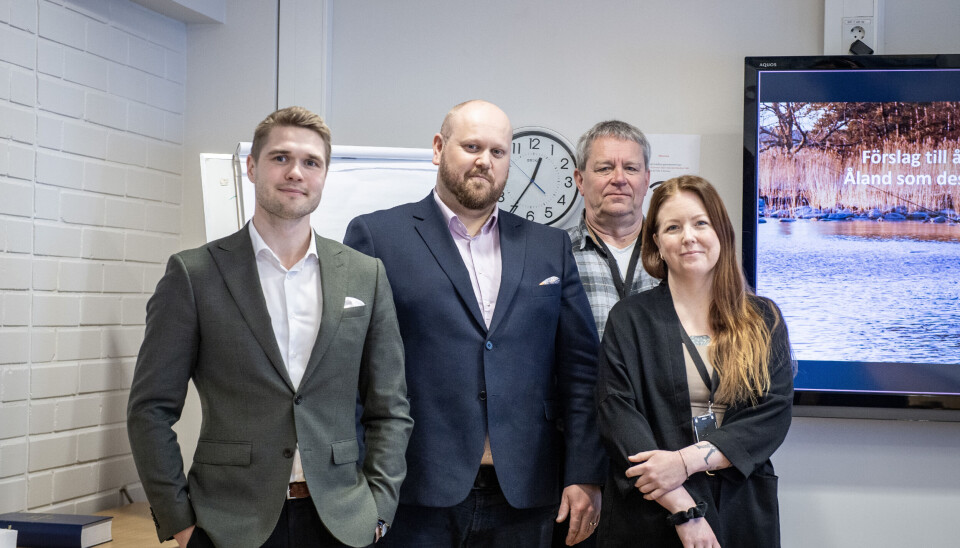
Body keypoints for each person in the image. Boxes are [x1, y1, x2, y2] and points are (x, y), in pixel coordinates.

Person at [127, 106, 413, 548]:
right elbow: (150, 410)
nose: (295, 172)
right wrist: (180, 523)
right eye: (280, 158)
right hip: (229, 525)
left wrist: (379, 509)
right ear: (251, 166)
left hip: (342, 521)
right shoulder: (194, 274)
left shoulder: (364, 274)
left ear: (323, 175)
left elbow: (390, 407)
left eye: (311, 162)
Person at [343, 99, 605, 547]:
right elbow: (349, 370)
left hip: (526, 494)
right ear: (438, 148)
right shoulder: (377, 236)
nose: (485, 161)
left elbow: (581, 373)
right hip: (413, 492)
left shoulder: (550, 247)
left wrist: (584, 474)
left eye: (498, 152)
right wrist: (357, 481)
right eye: (471, 146)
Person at [595, 175, 794, 547]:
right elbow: (618, 417)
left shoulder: (763, 318)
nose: (688, 236)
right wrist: (684, 511)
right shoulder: (629, 319)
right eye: (673, 227)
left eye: (700, 223)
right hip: (654, 510)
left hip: (740, 506)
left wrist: (685, 461)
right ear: (656, 242)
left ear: (720, 231)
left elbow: (772, 415)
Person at [568, 120, 659, 340]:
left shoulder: (673, 252)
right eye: (604, 168)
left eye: (630, 168)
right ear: (580, 180)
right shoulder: (555, 256)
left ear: (646, 180)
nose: (619, 179)